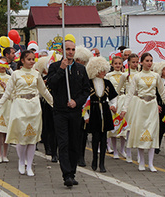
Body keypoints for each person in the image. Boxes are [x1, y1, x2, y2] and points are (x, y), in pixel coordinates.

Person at [47, 39, 90, 188]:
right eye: (68, 49)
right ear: (62, 51)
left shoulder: (81, 69)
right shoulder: (54, 67)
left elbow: (86, 90)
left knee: (74, 143)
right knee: (63, 143)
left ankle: (72, 172)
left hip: (75, 111)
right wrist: (61, 69)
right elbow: (51, 84)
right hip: (60, 111)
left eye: (72, 49)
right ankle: (66, 175)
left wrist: (77, 102)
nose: (70, 52)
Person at [120, 53, 165, 172]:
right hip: (140, 105)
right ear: (141, 62)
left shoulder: (156, 76)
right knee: (141, 131)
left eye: (151, 60)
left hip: (152, 105)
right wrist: (124, 108)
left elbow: (163, 93)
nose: (149, 63)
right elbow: (130, 94)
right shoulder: (137, 77)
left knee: (152, 131)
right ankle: (142, 161)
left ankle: (151, 163)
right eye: (147, 60)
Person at [84, 56, 118, 173]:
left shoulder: (107, 83)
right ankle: (94, 159)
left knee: (104, 137)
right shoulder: (88, 83)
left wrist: (114, 105)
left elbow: (113, 97)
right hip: (93, 110)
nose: (104, 72)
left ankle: (102, 163)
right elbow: (84, 101)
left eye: (105, 69)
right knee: (95, 137)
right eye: (101, 70)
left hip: (105, 110)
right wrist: (85, 116)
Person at [116, 53, 139, 163]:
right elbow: (118, 89)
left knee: (139, 128)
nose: (135, 64)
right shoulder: (125, 75)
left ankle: (140, 155)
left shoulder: (140, 74)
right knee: (129, 129)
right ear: (128, 62)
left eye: (136, 62)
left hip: (140, 102)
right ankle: (128, 153)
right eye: (133, 62)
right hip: (129, 102)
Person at [73, 45, 93, 167]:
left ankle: (81, 156)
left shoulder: (87, 74)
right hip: (73, 107)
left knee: (83, 133)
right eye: (81, 61)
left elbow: (87, 92)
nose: (83, 64)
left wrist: (85, 111)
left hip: (84, 106)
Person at [106, 56, 126, 159]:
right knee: (114, 128)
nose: (118, 65)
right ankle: (114, 150)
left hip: (123, 99)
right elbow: (107, 90)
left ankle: (122, 149)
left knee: (123, 128)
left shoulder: (125, 75)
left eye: (119, 63)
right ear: (112, 64)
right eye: (116, 63)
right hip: (113, 101)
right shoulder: (108, 76)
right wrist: (110, 103)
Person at [153, 61, 165, 157]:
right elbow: (155, 94)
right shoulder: (158, 81)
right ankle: (157, 146)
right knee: (160, 128)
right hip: (160, 106)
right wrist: (157, 104)